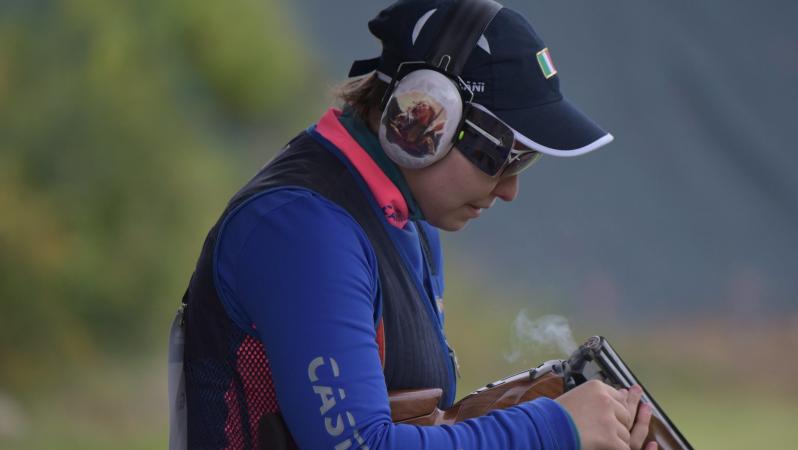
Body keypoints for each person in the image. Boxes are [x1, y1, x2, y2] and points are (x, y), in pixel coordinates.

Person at [170, 0, 658, 449]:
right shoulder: (304, 229)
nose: (509, 189)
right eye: (502, 156)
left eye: (524, 162)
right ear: (422, 116)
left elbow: (415, 425)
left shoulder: (405, 220)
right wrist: (553, 428)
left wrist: (544, 418)